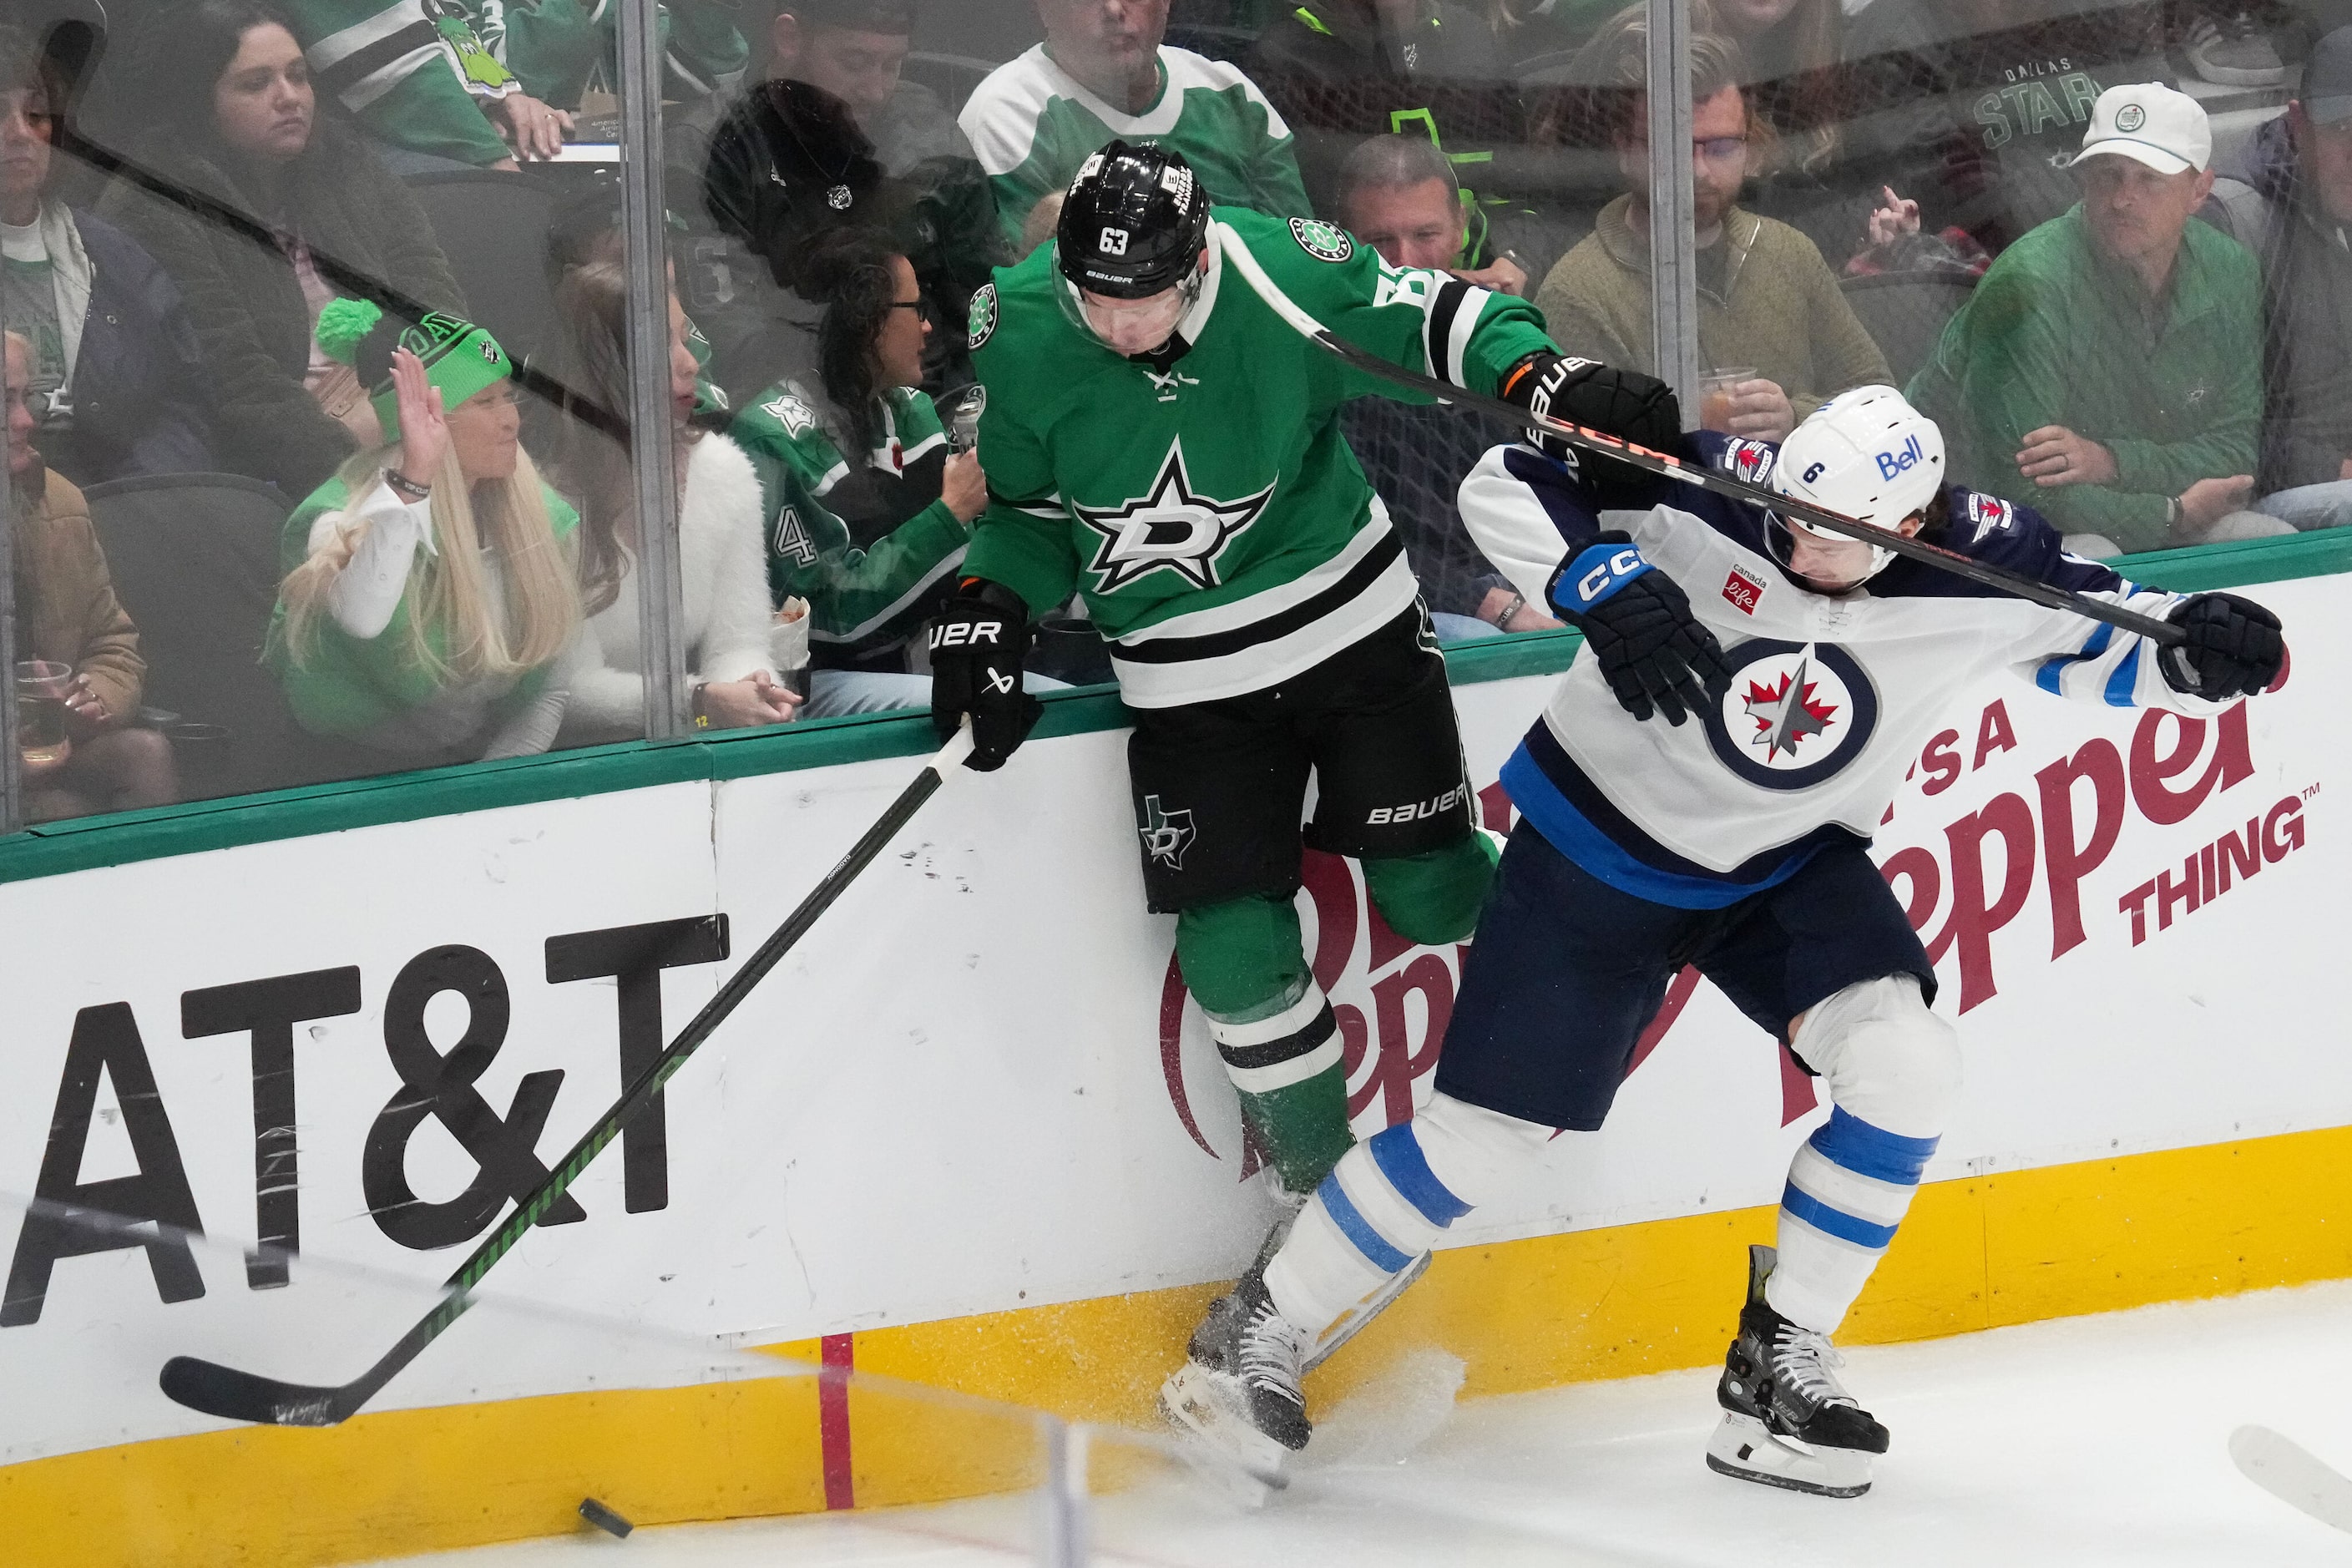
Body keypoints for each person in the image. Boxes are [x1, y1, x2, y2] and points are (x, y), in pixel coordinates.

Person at [1160, 380, 2287, 1489]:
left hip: (1783, 864)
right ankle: (1255, 1330)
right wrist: (1597, 578)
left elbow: (2118, 646)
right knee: (1486, 1137)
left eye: (1831, 531)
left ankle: (1780, 1358)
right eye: (1790, 515)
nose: (1798, 543)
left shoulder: (1989, 560)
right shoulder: (1712, 489)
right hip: (1596, 850)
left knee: (1906, 1065)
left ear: (1907, 523)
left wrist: (2209, 656)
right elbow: (1503, 478)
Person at [929, 140, 1635, 1207]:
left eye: (1146, 299)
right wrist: (989, 608)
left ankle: (1604, 923)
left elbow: (1451, 320)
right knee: (1233, 953)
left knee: (1436, 894)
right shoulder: (1020, 327)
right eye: (1096, 298)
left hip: (1349, 629)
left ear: (1200, 259)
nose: (1119, 326)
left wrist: (1543, 375)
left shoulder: (1284, 270)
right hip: (1181, 679)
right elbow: (1028, 518)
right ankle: (1321, 1204)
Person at [98, 1, 467, 496]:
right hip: (288, 467)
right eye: (256, 83)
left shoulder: (342, 158)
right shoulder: (156, 200)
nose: (290, 98)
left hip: (404, 415)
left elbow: (434, 300)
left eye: (298, 75)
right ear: (199, 101)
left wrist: (413, 412)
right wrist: (353, 441)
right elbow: (237, 385)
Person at [1908, 83, 2274, 555]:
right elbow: (2022, 491)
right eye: (2107, 176)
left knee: (2261, 539)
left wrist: (2110, 462)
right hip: (1971, 527)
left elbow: (2236, 458)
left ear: (2199, 190)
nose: (2122, 199)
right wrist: (2171, 513)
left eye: (2150, 179)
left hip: (2132, 502)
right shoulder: (2027, 284)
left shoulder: (2232, 269)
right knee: (2098, 553)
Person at [1535, 31, 1891, 443]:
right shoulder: (1578, 293)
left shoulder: (1789, 252)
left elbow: (1877, 394)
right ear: (1624, 149)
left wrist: (1797, 419)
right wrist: (1683, 429)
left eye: (1721, 147)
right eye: (1673, 147)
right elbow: (1576, 460)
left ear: (1749, 148)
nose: (1698, 172)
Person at [268, 301, 580, 766]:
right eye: (484, 402)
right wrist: (416, 478)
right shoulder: (336, 521)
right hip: (350, 776)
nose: (511, 419)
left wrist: (495, 789)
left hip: (491, 767)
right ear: (424, 424)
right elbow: (364, 618)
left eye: (507, 397)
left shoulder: (544, 517)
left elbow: (551, 686)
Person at [730, 231, 984, 715]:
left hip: (917, 656)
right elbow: (831, 619)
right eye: (916, 308)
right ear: (868, 322)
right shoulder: (775, 437)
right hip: (815, 682)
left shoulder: (912, 409)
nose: (929, 326)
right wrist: (950, 515)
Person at [548, 261, 799, 746]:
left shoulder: (724, 472)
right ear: (606, 368)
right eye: (666, 345)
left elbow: (740, 641)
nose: (691, 363)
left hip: (691, 738)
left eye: (685, 339)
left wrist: (753, 690)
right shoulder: (544, 500)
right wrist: (701, 702)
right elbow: (568, 693)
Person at [1334, 135, 1560, 640]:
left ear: (1461, 227)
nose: (1406, 261)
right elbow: (1351, 544)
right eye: (1380, 241)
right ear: (1342, 239)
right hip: (1406, 601)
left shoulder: (1497, 337)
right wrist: (1492, 605)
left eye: (1426, 234)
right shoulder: (1331, 362)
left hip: (1524, 574)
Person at [0, 26, 213, 488]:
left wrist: (134, 494)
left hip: (118, 513)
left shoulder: (110, 254)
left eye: (35, 112)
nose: (20, 133)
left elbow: (182, 402)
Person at [958, 0, 1313, 251]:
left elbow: (1301, 255)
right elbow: (1033, 291)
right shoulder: (1007, 114)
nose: (1113, 9)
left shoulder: (1232, 95)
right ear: (1043, 7)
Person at [1840, 0, 2177, 261]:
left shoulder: (2099, 12)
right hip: (2002, 276)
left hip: (2135, 238)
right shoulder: (1894, 39)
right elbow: (1960, 194)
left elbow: (2168, 129)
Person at [5, 330, 177, 822]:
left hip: (46, 747)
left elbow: (112, 643)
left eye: (26, 398)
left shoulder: (60, 504)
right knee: (61, 811)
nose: (25, 420)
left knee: (145, 754)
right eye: (4, 401)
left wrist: (92, 698)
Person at [1243, 0, 1530, 281]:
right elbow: (1295, 240)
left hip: (1486, 297)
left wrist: (1517, 260)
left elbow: (1530, 197)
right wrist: (1439, 287)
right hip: (1357, 303)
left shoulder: (1470, 39)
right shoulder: (1283, 61)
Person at [2206, 26, 2352, 532]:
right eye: (2341, 130)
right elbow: (2198, 421)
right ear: (2298, 126)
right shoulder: (2233, 226)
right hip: (2280, 500)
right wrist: (2332, 468)